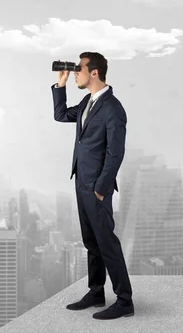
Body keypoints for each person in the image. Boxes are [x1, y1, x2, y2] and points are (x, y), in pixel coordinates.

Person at [51, 52, 134, 320]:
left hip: (97, 187)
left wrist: (100, 187)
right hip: (82, 181)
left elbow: (115, 153)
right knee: (91, 242)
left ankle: (124, 301)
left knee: (106, 242)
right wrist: (61, 84)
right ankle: (96, 291)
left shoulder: (113, 108)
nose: (76, 73)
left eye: (79, 69)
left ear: (94, 72)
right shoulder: (88, 101)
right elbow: (61, 115)